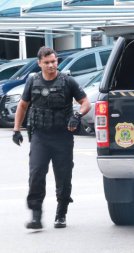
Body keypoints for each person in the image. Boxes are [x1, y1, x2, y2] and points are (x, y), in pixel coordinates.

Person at [12, 46, 91, 229]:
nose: (51, 65)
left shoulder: (68, 82)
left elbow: (85, 102)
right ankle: (36, 216)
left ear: (57, 61)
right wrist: (16, 130)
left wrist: (77, 115)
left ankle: (61, 213)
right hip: (40, 136)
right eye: (47, 62)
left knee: (63, 176)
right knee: (36, 174)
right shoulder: (33, 82)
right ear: (39, 63)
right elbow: (23, 106)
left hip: (63, 137)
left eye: (54, 61)